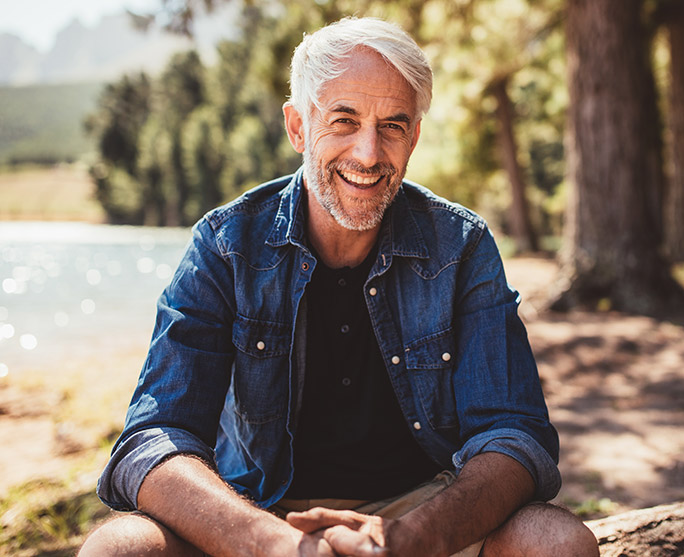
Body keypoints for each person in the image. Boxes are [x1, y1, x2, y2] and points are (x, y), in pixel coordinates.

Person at [80, 16, 598, 557]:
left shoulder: (461, 246)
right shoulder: (226, 245)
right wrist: (276, 545)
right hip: (256, 513)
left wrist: (409, 539)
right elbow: (154, 438)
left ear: (414, 138)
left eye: (393, 126)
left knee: (555, 543)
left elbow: (514, 434)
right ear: (298, 126)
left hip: (424, 512)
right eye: (344, 120)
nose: (369, 154)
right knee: (120, 549)